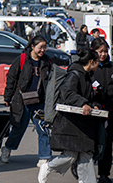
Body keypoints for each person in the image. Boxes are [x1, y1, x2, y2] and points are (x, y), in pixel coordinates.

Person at [38, 47, 103, 183]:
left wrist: (93, 105)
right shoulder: (74, 74)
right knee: (70, 155)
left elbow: (86, 97)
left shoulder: (87, 76)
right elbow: (67, 92)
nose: (99, 64)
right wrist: (83, 103)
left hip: (84, 123)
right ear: (91, 61)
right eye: (97, 61)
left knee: (86, 155)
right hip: (70, 123)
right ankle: (48, 167)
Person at [2, 35, 52, 166]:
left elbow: (51, 80)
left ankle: (44, 157)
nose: (43, 50)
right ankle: (7, 148)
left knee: (43, 128)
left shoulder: (47, 61)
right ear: (32, 47)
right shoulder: (22, 59)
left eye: (45, 47)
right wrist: (7, 97)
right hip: (22, 101)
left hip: (39, 102)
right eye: (40, 47)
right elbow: (11, 79)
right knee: (19, 129)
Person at [91, 38, 113, 183]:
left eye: (105, 51)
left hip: (109, 111)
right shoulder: (90, 68)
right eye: (100, 51)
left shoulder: (111, 67)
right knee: (93, 143)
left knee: (107, 143)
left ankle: (104, 174)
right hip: (93, 111)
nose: (103, 54)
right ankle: (84, 171)